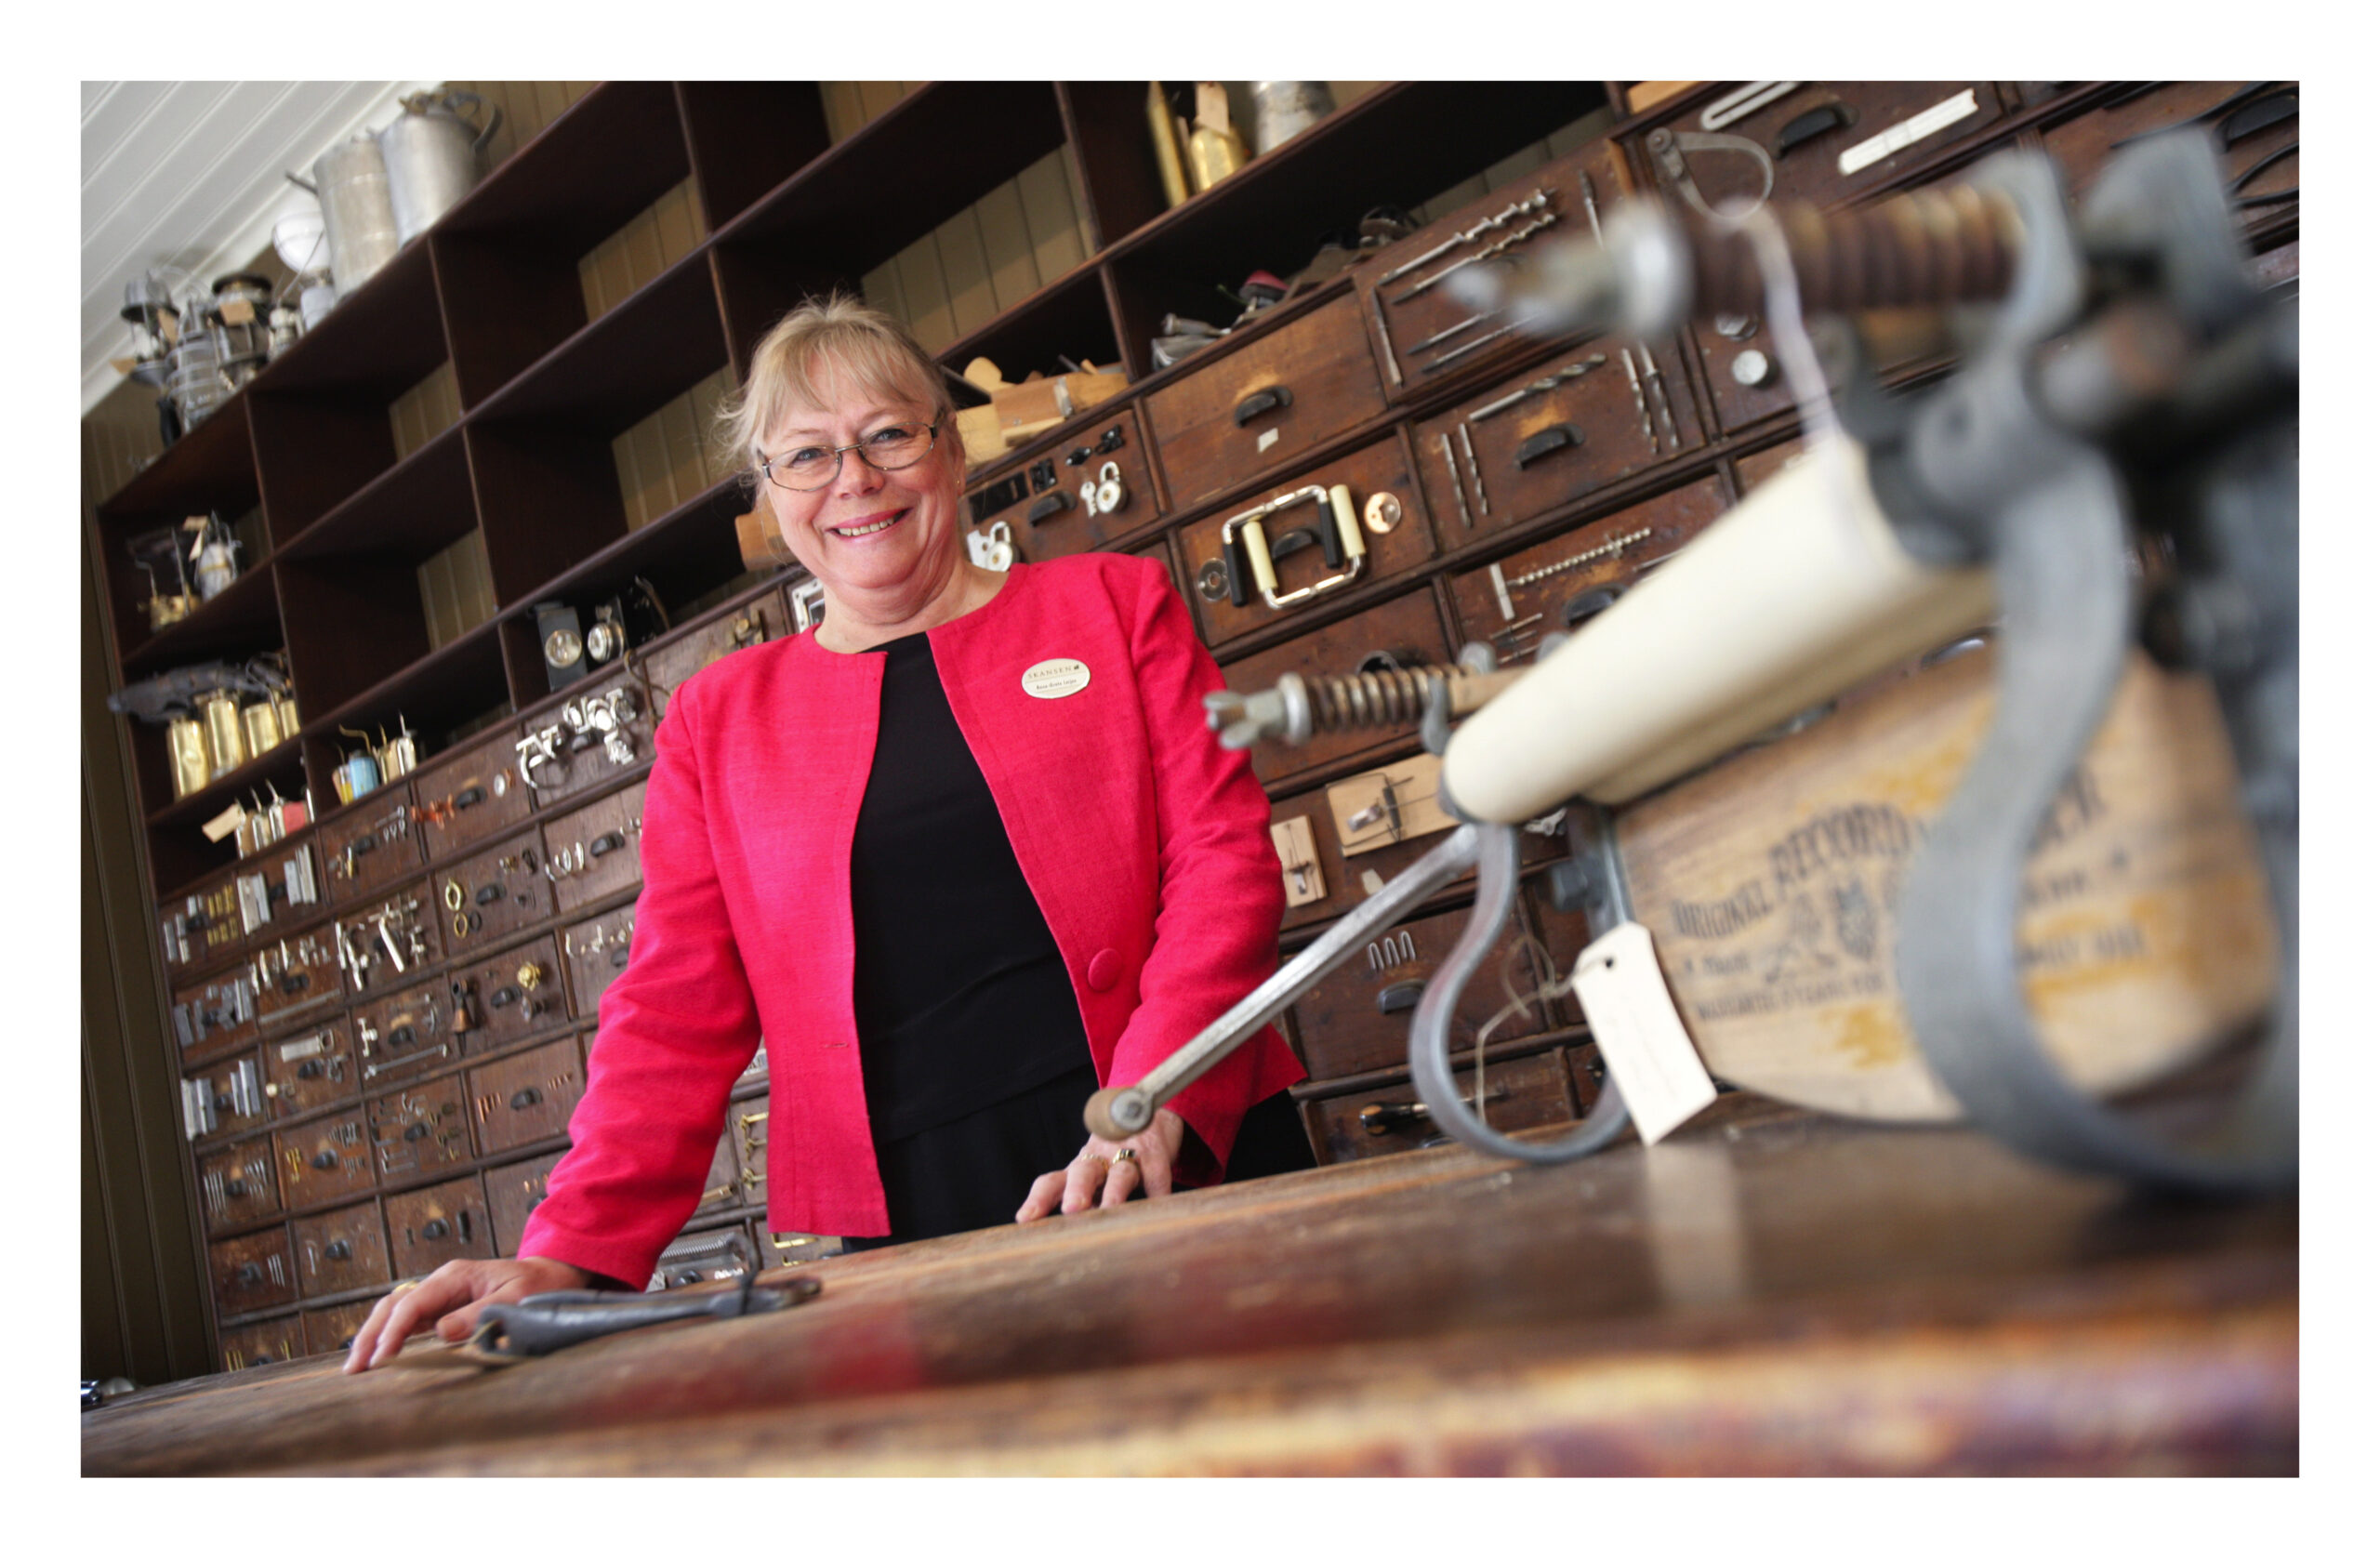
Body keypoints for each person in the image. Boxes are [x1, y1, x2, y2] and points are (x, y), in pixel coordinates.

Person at [346, 298, 1309, 1371]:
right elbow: (672, 1012)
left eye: (889, 434)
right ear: (769, 498)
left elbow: (1222, 862)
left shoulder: (1113, 605)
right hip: (916, 1214)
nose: (853, 478)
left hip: (1169, 1138)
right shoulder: (718, 720)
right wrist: (565, 1253)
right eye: (805, 456)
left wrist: (1154, 1098)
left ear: (949, 446)